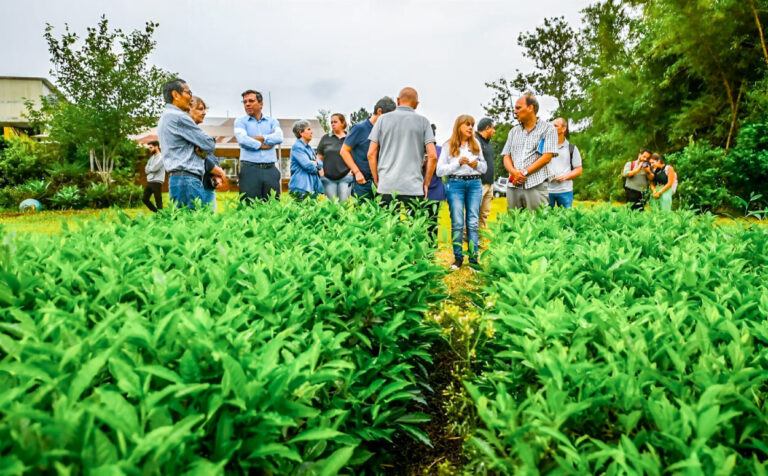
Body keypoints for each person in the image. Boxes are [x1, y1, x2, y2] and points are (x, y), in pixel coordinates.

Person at [367, 87, 438, 209]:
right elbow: (433, 156)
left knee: (387, 226)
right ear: (416, 104)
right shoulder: (423, 122)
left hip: (387, 185)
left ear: (398, 101)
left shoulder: (382, 120)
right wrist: (426, 183)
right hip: (414, 188)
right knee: (414, 227)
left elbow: (371, 154)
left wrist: (377, 179)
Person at [158, 78, 221, 209]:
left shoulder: (166, 116)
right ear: (176, 94)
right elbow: (209, 144)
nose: (190, 98)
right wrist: (204, 147)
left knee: (183, 224)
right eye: (188, 93)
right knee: (194, 223)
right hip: (187, 180)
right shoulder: (179, 117)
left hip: (178, 179)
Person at [436, 115, 487, 270]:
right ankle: (458, 258)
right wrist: (457, 163)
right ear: (458, 127)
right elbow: (439, 171)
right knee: (457, 222)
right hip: (455, 184)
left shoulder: (476, 144)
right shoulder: (448, 146)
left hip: (474, 183)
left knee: (472, 221)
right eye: (467, 125)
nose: (471, 128)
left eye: (472, 125)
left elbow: (484, 168)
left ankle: (473, 258)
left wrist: (476, 164)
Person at [501, 93, 558, 211]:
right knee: (513, 223)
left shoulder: (548, 129)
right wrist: (514, 172)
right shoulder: (513, 131)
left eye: (518, 108)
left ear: (530, 108)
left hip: (535, 185)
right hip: (513, 186)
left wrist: (524, 173)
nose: (515, 111)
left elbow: (547, 157)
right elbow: (506, 156)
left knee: (537, 223)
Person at [340, 97, 397, 199]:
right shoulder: (360, 128)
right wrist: (357, 172)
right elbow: (344, 151)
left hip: (382, 182)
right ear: (379, 111)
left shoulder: (384, 130)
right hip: (363, 182)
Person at [233, 89, 284, 202]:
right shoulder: (240, 122)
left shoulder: (272, 122)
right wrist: (263, 144)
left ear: (261, 104)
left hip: (270, 169)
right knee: (249, 206)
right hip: (249, 169)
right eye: (245, 102)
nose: (247, 104)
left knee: (273, 206)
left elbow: (279, 137)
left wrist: (261, 138)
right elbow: (242, 140)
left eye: (251, 101)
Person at [188, 96, 225, 211]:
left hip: (206, 184)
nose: (204, 113)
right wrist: (219, 172)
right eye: (200, 109)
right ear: (188, 109)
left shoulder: (196, 132)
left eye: (205, 109)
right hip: (197, 185)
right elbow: (203, 158)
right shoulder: (188, 132)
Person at [548, 117, 583, 208]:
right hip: (546, 190)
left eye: (555, 126)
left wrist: (566, 176)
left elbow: (578, 168)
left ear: (564, 129)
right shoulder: (545, 147)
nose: (552, 128)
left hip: (565, 191)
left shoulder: (571, 148)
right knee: (545, 219)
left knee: (566, 219)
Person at [318, 113, 353, 202]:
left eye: (335, 122)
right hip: (328, 179)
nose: (333, 124)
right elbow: (319, 157)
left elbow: (355, 156)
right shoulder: (325, 138)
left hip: (345, 177)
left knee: (344, 206)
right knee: (332, 207)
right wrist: (321, 171)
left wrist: (351, 172)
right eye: (331, 122)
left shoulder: (350, 138)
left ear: (342, 123)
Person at [288, 120, 323, 200]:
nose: (312, 132)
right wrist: (314, 164)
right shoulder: (297, 147)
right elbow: (308, 166)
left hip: (312, 188)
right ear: (301, 132)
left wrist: (315, 164)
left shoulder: (309, 148)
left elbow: (320, 164)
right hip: (301, 187)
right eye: (309, 129)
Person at [425, 124, 445, 241]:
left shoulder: (440, 151)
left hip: (434, 190)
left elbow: (442, 171)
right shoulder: (418, 149)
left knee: (432, 221)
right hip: (421, 190)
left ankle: (431, 247)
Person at [475, 118, 496, 228]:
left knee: (484, 214)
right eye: (493, 128)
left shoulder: (488, 143)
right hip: (478, 183)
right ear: (487, 128)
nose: (494, 131)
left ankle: (481, 240)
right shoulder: (474, 141)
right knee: (473, 213)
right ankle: (466, 240)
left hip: (489, 183)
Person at [142, 140, 164, 213]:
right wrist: (150, 169)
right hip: (150, 181)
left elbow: (155, 168)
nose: (150, 149)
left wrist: (150, 169)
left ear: (156, 147)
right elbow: (146, 169)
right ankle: (157, 212)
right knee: (144, 199)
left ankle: (162, 216)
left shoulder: (161, 157)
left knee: (158, 200)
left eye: (151, 147)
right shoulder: (152, 158)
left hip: (157, 181)